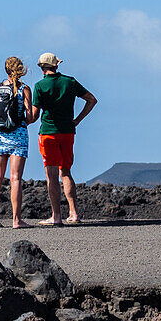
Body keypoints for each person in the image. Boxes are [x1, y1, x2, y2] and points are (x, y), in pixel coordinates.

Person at [31, 52, 97, 226]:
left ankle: (56, 216)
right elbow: (91, 100)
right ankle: (74, 213)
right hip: (68, 131)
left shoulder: (39, 86)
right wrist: (78, 120)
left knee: (52, 176)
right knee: (66, 171)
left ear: (41, 67)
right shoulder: (70, 82)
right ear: (56, 65)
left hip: (48, 132)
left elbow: (34, 115)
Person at [0, 56, 34, 229]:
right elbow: (30, 117)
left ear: (6, 70)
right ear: (21, 70)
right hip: (18, 135)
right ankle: (16, 220)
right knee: (16, 179)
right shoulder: (24, 89)